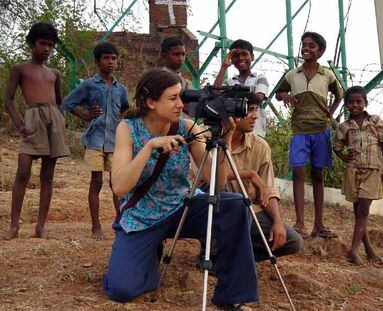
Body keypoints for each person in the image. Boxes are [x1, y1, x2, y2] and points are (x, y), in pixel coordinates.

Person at [103, 68, 258, 310]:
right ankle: (149, 256)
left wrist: (225, 139)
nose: (181, 104)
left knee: (235, 205)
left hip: (182, 208)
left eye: (181, 97)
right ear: (151, 102)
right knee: (121, 290)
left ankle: (233, 295)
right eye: (173, 98)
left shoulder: (188, 127)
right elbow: (120, 188)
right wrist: (150, 147)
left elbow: (215, 183)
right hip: (144, 216)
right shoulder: (128, 129)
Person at [3, 22, 70, 239]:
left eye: (50, 45)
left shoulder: (54, 73)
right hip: (32, 120)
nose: (47, 49)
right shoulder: (19, 69)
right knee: (23, 171)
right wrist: (19, 123)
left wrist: (62, 119)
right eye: (43, 44)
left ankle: (41, 226)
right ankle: (14, 225)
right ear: (32, 43)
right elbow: (8, 100)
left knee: (47, 176)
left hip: (53, 121)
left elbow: (61, 103)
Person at [275, 31, 343, 239]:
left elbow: (339, 95)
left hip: (321, 131)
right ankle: (300, 223)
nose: (306, 48)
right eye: (303, 44)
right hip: (300, 131)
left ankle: (319, 224)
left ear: (320, 51)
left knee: (317, 174)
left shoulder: (327, 75)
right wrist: (284, 94)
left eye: (311, 45)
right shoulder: (291, 75)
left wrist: (329, 115)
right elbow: (278, 93)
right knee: (297, 172)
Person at [61, 41, 130, 239]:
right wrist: (86, 116)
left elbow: (125, 108)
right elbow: (68, 103)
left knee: (116, 183)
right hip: (95, 140)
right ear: (97, 62)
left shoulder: (120, 89)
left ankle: (120, 222)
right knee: (96, 181)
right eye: (106, 58)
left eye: (113, 58)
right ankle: (96, 225)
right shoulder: (89, 85)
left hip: (115, 141)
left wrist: (122, 121)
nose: (110, 62)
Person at [228, 100, 303, 261]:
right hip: (215, 206)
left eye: (256, 109)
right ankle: (213, 252)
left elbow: (268, 189)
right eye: (249, 110)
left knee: (293, 241)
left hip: (247, 211)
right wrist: (250, 174)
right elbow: (211, 175)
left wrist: (277, 222)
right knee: (221, 190)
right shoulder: (208, 136)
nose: (255, 116)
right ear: (231, 111)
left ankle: (237, 258)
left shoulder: (260, 146)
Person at [333, 86, 383, 266]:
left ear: (365, 103)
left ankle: (353, 250)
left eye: (359, 101)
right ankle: (368, 250)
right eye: (351, 102)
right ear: (346, 106)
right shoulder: (345, 127)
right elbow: (336, 147)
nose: (355, 105)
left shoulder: (375, 122)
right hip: (353, 172)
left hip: (372, 171)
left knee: (364, 210)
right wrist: (344, 157)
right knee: (359, 213)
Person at [214, 39, 269, 137]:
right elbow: (215, 95)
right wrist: (224, 67)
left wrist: (232, 95)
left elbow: (258, 98)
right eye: (235, 56)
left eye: (244, 54)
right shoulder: (229, 82)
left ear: (252, 57)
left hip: (256, 134)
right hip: (235, 135)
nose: (240, 58)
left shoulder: (260, 78)